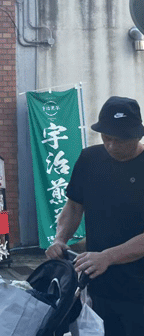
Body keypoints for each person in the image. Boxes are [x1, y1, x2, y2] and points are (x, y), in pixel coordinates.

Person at [46, 96, 144, 335]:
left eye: (119, 140)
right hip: (98, 284)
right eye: (106, 138)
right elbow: (73, 207)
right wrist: (61, 239)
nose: (111, 145)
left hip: (139, 289)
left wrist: (108, 257)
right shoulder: (90, 159)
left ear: (137, 135)